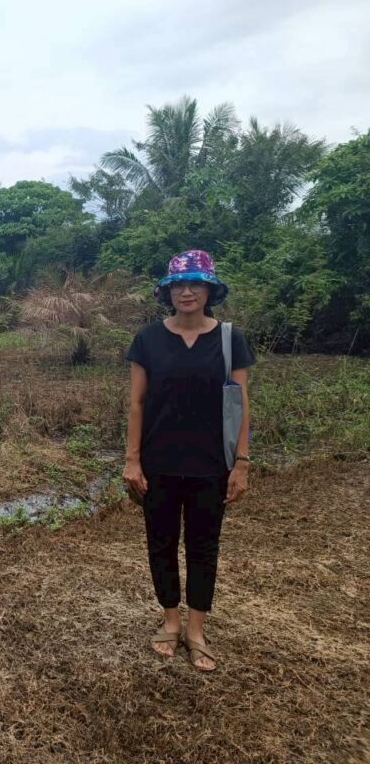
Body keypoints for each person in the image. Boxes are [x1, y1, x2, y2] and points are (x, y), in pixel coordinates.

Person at [123, 250, 254, 672]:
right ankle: (170, 621)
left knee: (203, 546)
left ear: (210, 290)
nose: (187, 291)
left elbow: (241, 405)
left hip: (211, 465)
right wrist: (132, 460)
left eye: (196, 284)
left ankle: (196, 630)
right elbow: (137, 403)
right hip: (158, 464)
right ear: (168, 292)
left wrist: (241, 462)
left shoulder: (231, 340)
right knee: (160, 544)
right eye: (178, 285)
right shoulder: (147, 340)